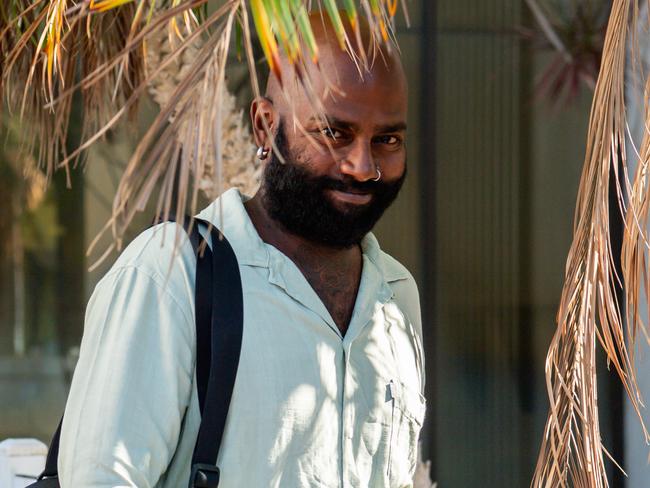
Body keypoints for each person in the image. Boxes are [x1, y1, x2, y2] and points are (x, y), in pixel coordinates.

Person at [58, 12, 426, 488]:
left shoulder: (397, 297)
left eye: (387, 140)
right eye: (334, 133)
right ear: (264, 126)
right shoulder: (171, 276)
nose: (363, 166)